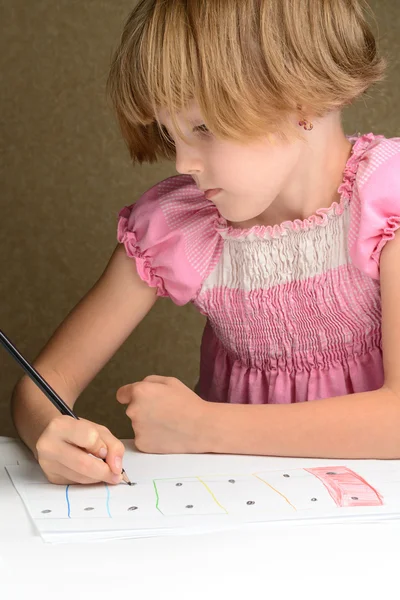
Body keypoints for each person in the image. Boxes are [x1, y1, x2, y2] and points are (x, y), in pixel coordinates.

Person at [11, 0, 400, 485]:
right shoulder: (184, 224)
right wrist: (51, 431)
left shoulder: (388, 199)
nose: (182, 163)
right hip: (234, 516)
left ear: (302, 99)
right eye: (170, 135)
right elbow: (39, 389)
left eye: (203, 128)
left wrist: (204, 426)